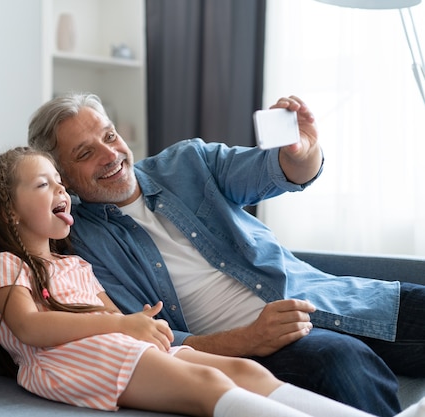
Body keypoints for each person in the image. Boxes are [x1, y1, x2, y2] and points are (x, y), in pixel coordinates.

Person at [26, 92, 425, 417]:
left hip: (323, 297)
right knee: (340, 358)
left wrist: (301, 153)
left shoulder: (188, 162)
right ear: (61, 174)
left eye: (109, 136)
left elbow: (277, 170)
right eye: (84, 153)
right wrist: (249, 338)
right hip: (258, 347)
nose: (110, 155)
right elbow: (148, 338)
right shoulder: (81, 245)